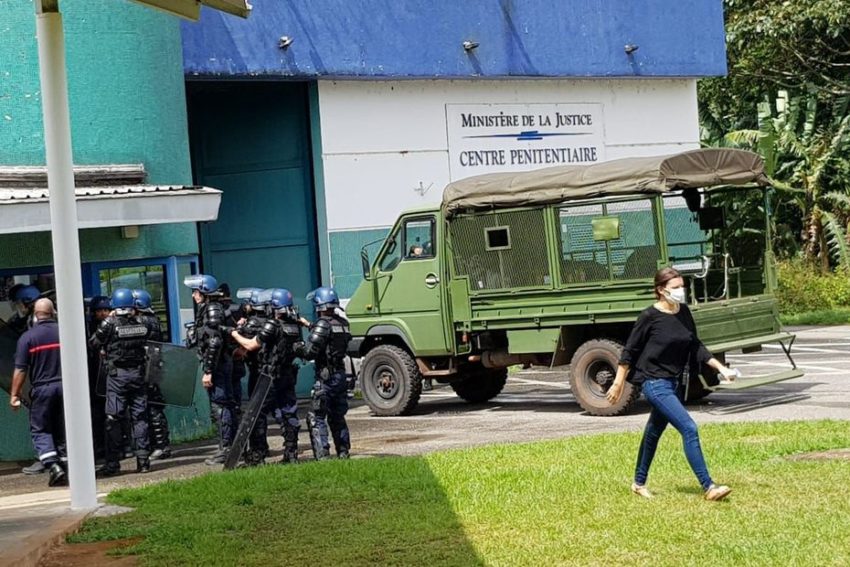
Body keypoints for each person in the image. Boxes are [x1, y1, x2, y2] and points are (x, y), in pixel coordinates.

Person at [606, 267, 736, 502]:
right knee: (689, 428)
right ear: (661, 290)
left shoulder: (683, 312)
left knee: (653, 432)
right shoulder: (649, 317)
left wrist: (721, 368)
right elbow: (629, 352)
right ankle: (709, 486)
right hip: (653, 383)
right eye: (676, 288)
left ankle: (638, 483)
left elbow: (695, 345)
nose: (681, 291)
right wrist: (618, 384)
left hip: (673, 382)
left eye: (682, 287)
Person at [230, 288, 303, 464]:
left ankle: (258, 455)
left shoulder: (273, 325)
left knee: (257, 414)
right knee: (288, 412)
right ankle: (291, 453)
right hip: (287, 374)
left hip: (270, 376)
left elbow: (250, 345)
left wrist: (232, 332)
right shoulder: (293, 325)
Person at [89, 288, 153, 476]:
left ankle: (113, 464)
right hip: (138, 375)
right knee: (139, 418)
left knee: (113, 419)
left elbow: (93, 343)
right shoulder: (143, 322)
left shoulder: (110, 323)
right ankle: (143, 461)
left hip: (117, 378)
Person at [9, 298, 67, 487]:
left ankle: (53, 466)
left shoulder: (28, 338)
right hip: (66, 388)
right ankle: (65, 464)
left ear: (35, 315)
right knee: (62, 428)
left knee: (41, 429)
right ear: (53, 313)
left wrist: (15, 394)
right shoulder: (65, 332)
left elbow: (21, 370)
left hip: (43, 389)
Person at [184, 274, 236, 465]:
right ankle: (230, 445)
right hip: (221, 364)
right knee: (225, 404)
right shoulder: (210, 309)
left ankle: (226, 448)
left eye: (195, 292)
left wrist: (208, 371)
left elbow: (214, 342)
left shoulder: (212, 310)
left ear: (204, 292)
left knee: (220, 406)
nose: (193, 296)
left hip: (218, 366)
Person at [296, 286, 352, 460]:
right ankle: (343, 452)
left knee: (316, 415)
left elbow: (309, 352)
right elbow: (328, 338)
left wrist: (296, 347)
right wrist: (308, 325)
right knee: (337, 416)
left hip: (325, 377)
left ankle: (323, 456)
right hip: (340, 375)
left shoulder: (323, 324)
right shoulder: (342, 324)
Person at [133, 289, 172, 460]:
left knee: (152, 407)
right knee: (153, 405)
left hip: (147, 368)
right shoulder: (154, 320)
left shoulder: (142, 321)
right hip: (154, 367)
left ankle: (160, 446)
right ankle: (160, 444)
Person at [86, 295, 111, 460]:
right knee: (96, 415)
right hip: (95, 377)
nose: (103, 314)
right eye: (99, 311)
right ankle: (100, 448)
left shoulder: (115, 326)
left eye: (106, 310)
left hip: (113, 376)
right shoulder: (88, 328)